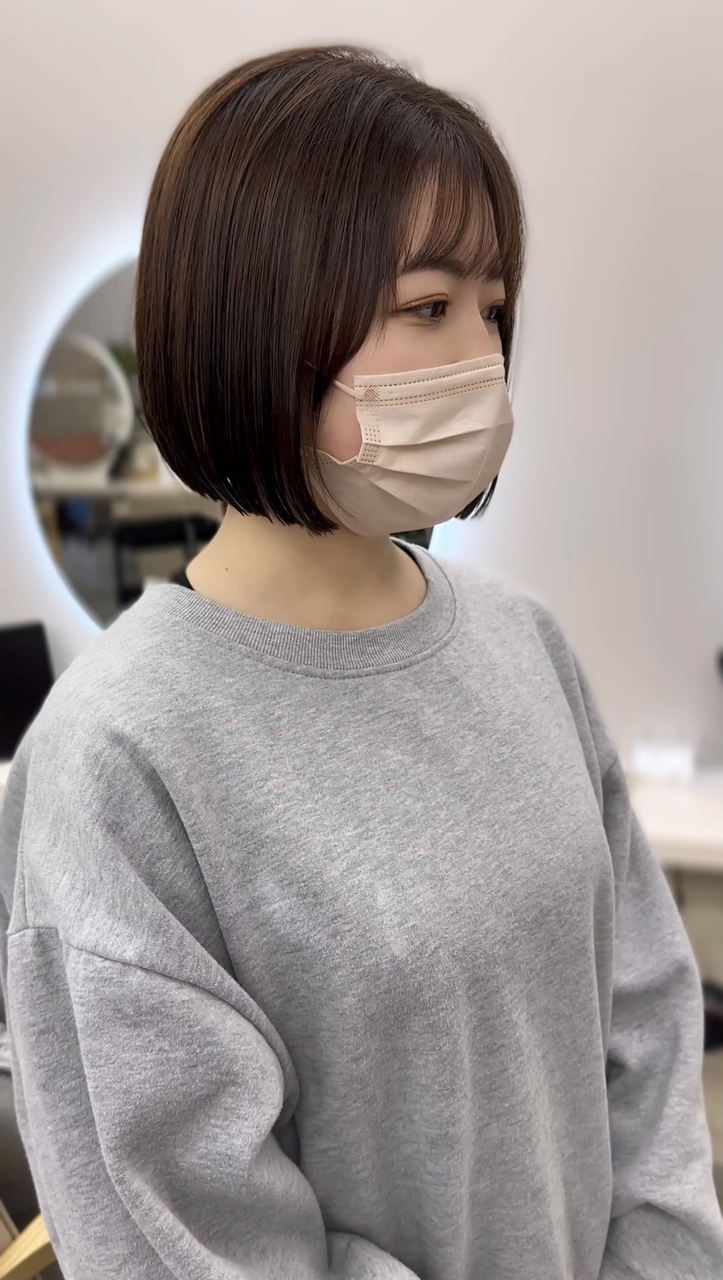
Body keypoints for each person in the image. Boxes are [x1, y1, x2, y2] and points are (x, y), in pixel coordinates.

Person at [0, 44, 721, 1280]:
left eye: (495, 309)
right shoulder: (120, 756)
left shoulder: (521, 640)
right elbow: (191, 1229)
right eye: (429, 307)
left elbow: (645, 1017)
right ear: (259, 319)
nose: (482, 356)